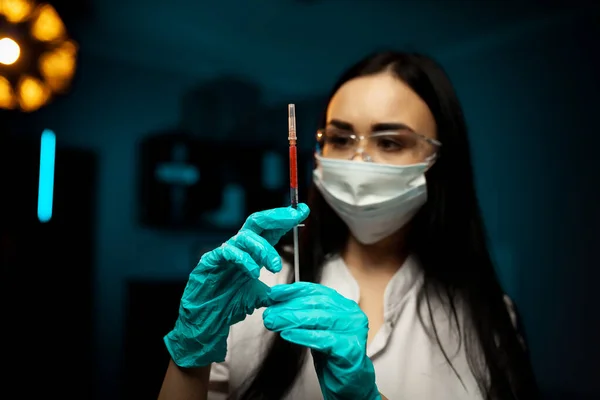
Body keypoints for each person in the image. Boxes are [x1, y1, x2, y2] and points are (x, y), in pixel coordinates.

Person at [157, 51, 539, 400]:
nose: (358, 162)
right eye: (340, 138)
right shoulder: (256, 287)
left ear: (439, 158)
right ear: (318, 155)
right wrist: (189, 357)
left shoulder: (489, 316)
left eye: (389, 142)